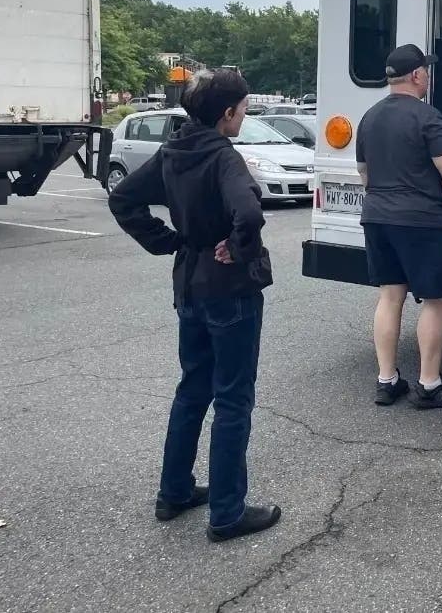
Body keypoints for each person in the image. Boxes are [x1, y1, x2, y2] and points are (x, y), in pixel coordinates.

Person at [108, 69, 281, 543]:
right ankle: (227, 512)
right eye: (244, 109)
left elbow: (122, 198)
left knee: (193, 388)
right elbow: (248, 213)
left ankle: (175, 490)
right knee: (233, 399)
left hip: (189, 285)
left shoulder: (174, 151)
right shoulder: (223, 158)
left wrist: (169, 243)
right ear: (227, 113)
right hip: (228, 289)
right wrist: (240, 246)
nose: (245, 116)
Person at [356, 44, 442, 408]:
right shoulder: (427, 117)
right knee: (436, 300)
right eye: (426, 71)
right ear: (418, 75)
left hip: (376, 215)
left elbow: (364, 173)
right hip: (419, 218)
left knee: (391, 295)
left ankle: (387, 380)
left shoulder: (369, 117)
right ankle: (430, 384)